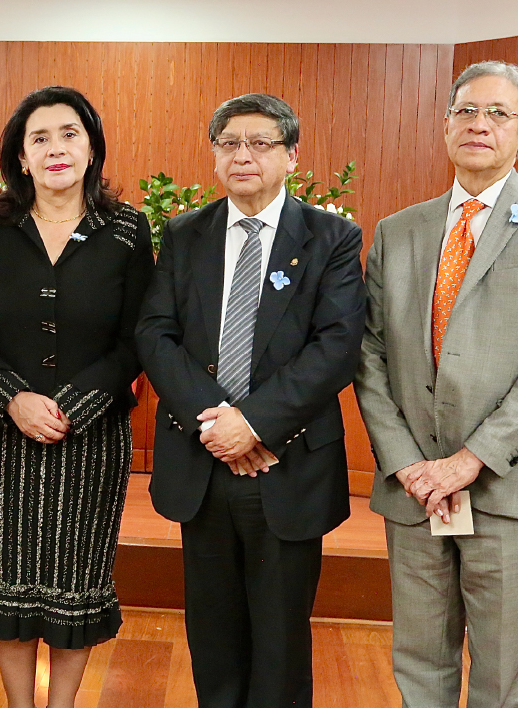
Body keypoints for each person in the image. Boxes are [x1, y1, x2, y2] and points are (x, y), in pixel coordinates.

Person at [355, 60, 518, 708]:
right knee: (418, 662)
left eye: (497, 113)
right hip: (414, 490)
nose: (479, 124)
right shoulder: (397, 230)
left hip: (508, 485)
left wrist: (468, 461)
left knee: (495, 676)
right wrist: (409, 465)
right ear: (444, 127)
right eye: (465, 110)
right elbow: (370, 354)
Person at [135, 93, 365, 707]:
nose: (243, 156)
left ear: (291, 155)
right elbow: (155, 333)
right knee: (212, 636)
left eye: (261, 143)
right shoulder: (185, 234)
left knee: (281, 638)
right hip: (203, 462)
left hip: (289, 463)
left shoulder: (331, 238)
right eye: (229, 143)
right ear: (214, 155)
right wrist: (218, 424)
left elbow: (337, 346)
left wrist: (255, 425)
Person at [0, 85, 154, 708]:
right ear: (20, 156)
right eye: (38, 138)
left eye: (69, 134)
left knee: (77, 580)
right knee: (8, 584)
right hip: (2, 434)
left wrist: (75, 402)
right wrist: (13, 399)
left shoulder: (126, 229)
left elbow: (137, 338)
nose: (55, 149)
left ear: (91, 147)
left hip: (92, 435)